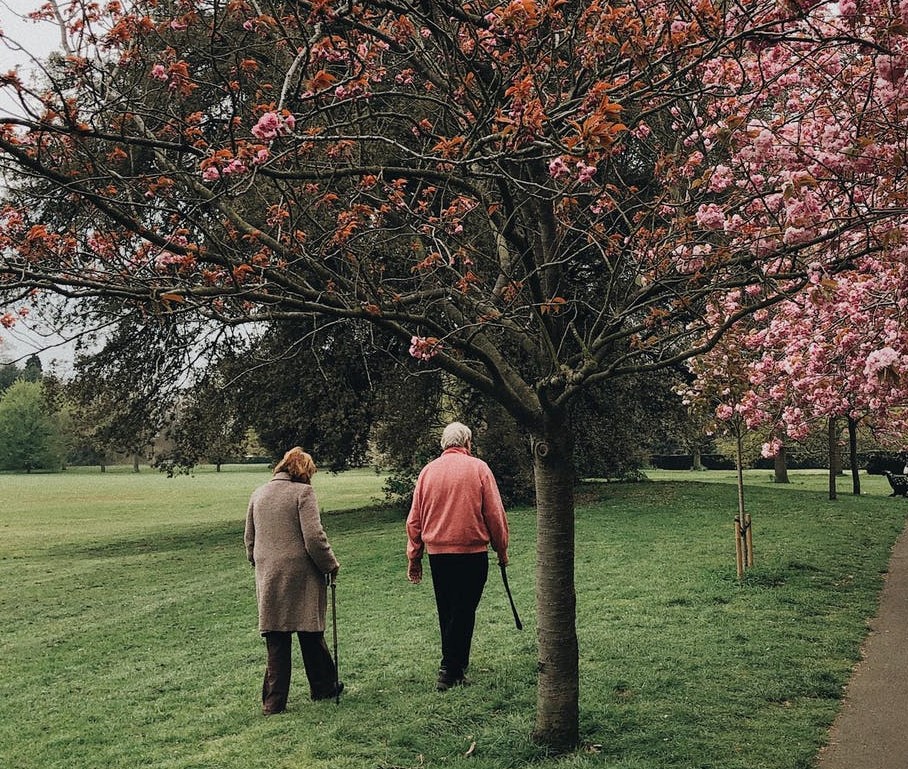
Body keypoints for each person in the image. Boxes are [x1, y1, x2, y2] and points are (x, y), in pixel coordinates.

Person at [406, 421, 510, 691]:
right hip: (471, 553)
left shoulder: (427, 472)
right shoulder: (478, 468)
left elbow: (414, 520)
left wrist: (414, 556)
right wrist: (502, 548)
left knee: (449, 610)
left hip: (438, 555)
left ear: (444, 444)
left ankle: (454, 666)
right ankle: (450, 668)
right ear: (468, 443)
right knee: (464, 610)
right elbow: (495, 515)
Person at [244, 447, 342, 714]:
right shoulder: (303, 493)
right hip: (301, 574)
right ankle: (324, 687)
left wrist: (260, 563)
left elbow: (249, 539)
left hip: (269, 574)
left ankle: (273, 703)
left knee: (276, 637)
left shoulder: (259, 493)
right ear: (304, 471)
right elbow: (314, 537)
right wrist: (330, 564)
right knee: (310, 631)